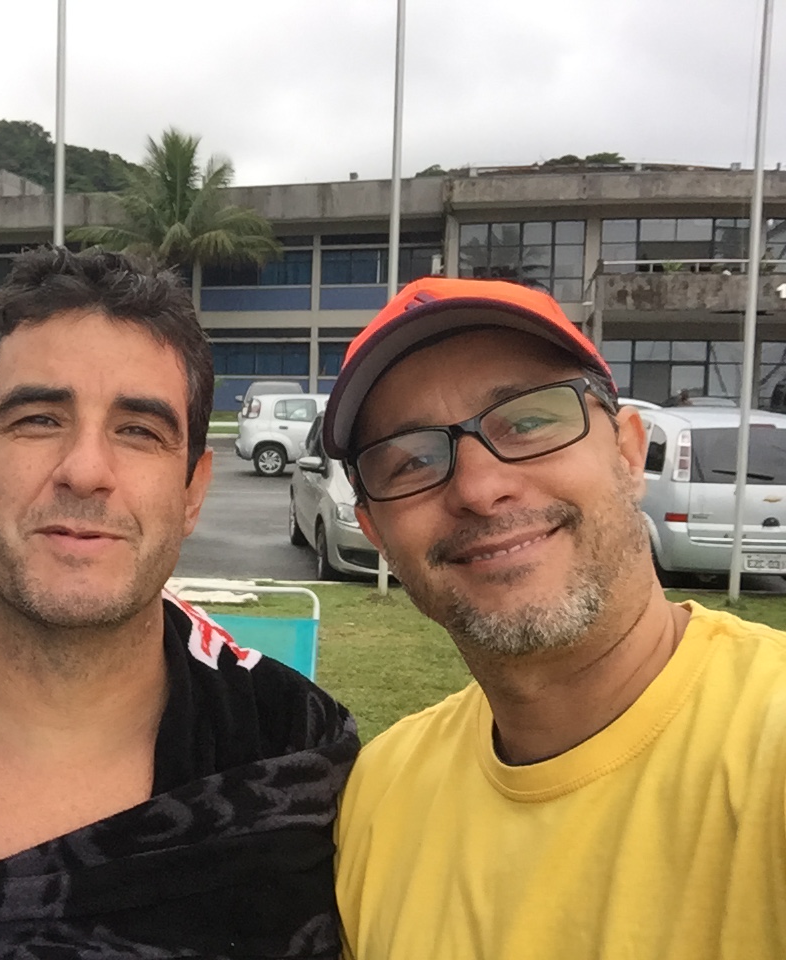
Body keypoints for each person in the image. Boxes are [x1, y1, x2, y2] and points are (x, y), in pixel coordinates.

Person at [0, 247, 359, 959]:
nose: (84, 470)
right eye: (39, 419)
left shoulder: (298, 765)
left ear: (194, 490)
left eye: (139, 431)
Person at [323, 277, 786, 959]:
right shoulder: (380, 794)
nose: (480, 488)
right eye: (413, 460)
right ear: (375, 532)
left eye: (529, 422)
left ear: (628, 453)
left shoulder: (768, 749)